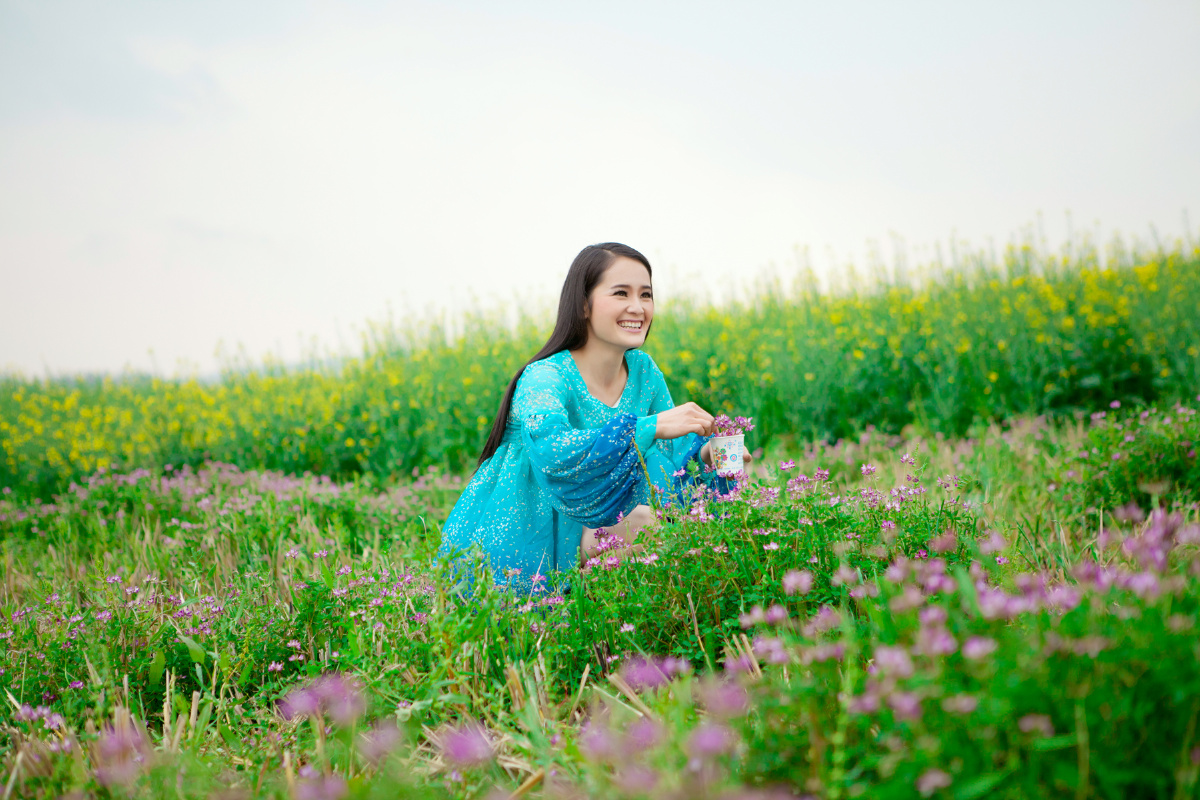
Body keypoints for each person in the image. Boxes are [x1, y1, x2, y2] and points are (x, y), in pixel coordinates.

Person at [437, 242, 750, 592]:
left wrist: (708, 455)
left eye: (646, 295)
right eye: (621, 293)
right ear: (583, 304)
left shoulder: (643, 371)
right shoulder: (544, 377)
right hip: (531, 535)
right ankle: (582, 606)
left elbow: (666, 460)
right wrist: (650, 427)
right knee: (648, 527)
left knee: (700, 522)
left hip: (601, 521)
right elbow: (554, 452)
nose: (638, 307)